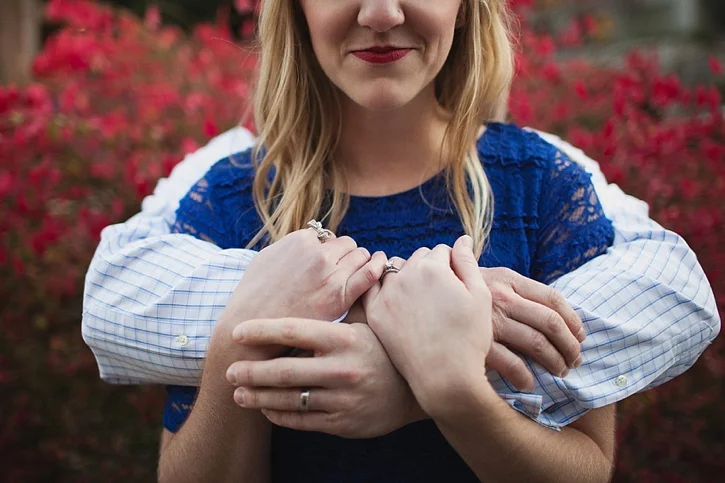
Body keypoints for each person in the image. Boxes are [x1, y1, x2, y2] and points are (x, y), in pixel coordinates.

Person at [80, 0, 720, 482]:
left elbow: (587, 467)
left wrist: (446, 392)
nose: (381, 14)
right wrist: (236, 342)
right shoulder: (229, 199)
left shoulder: (544, 188)